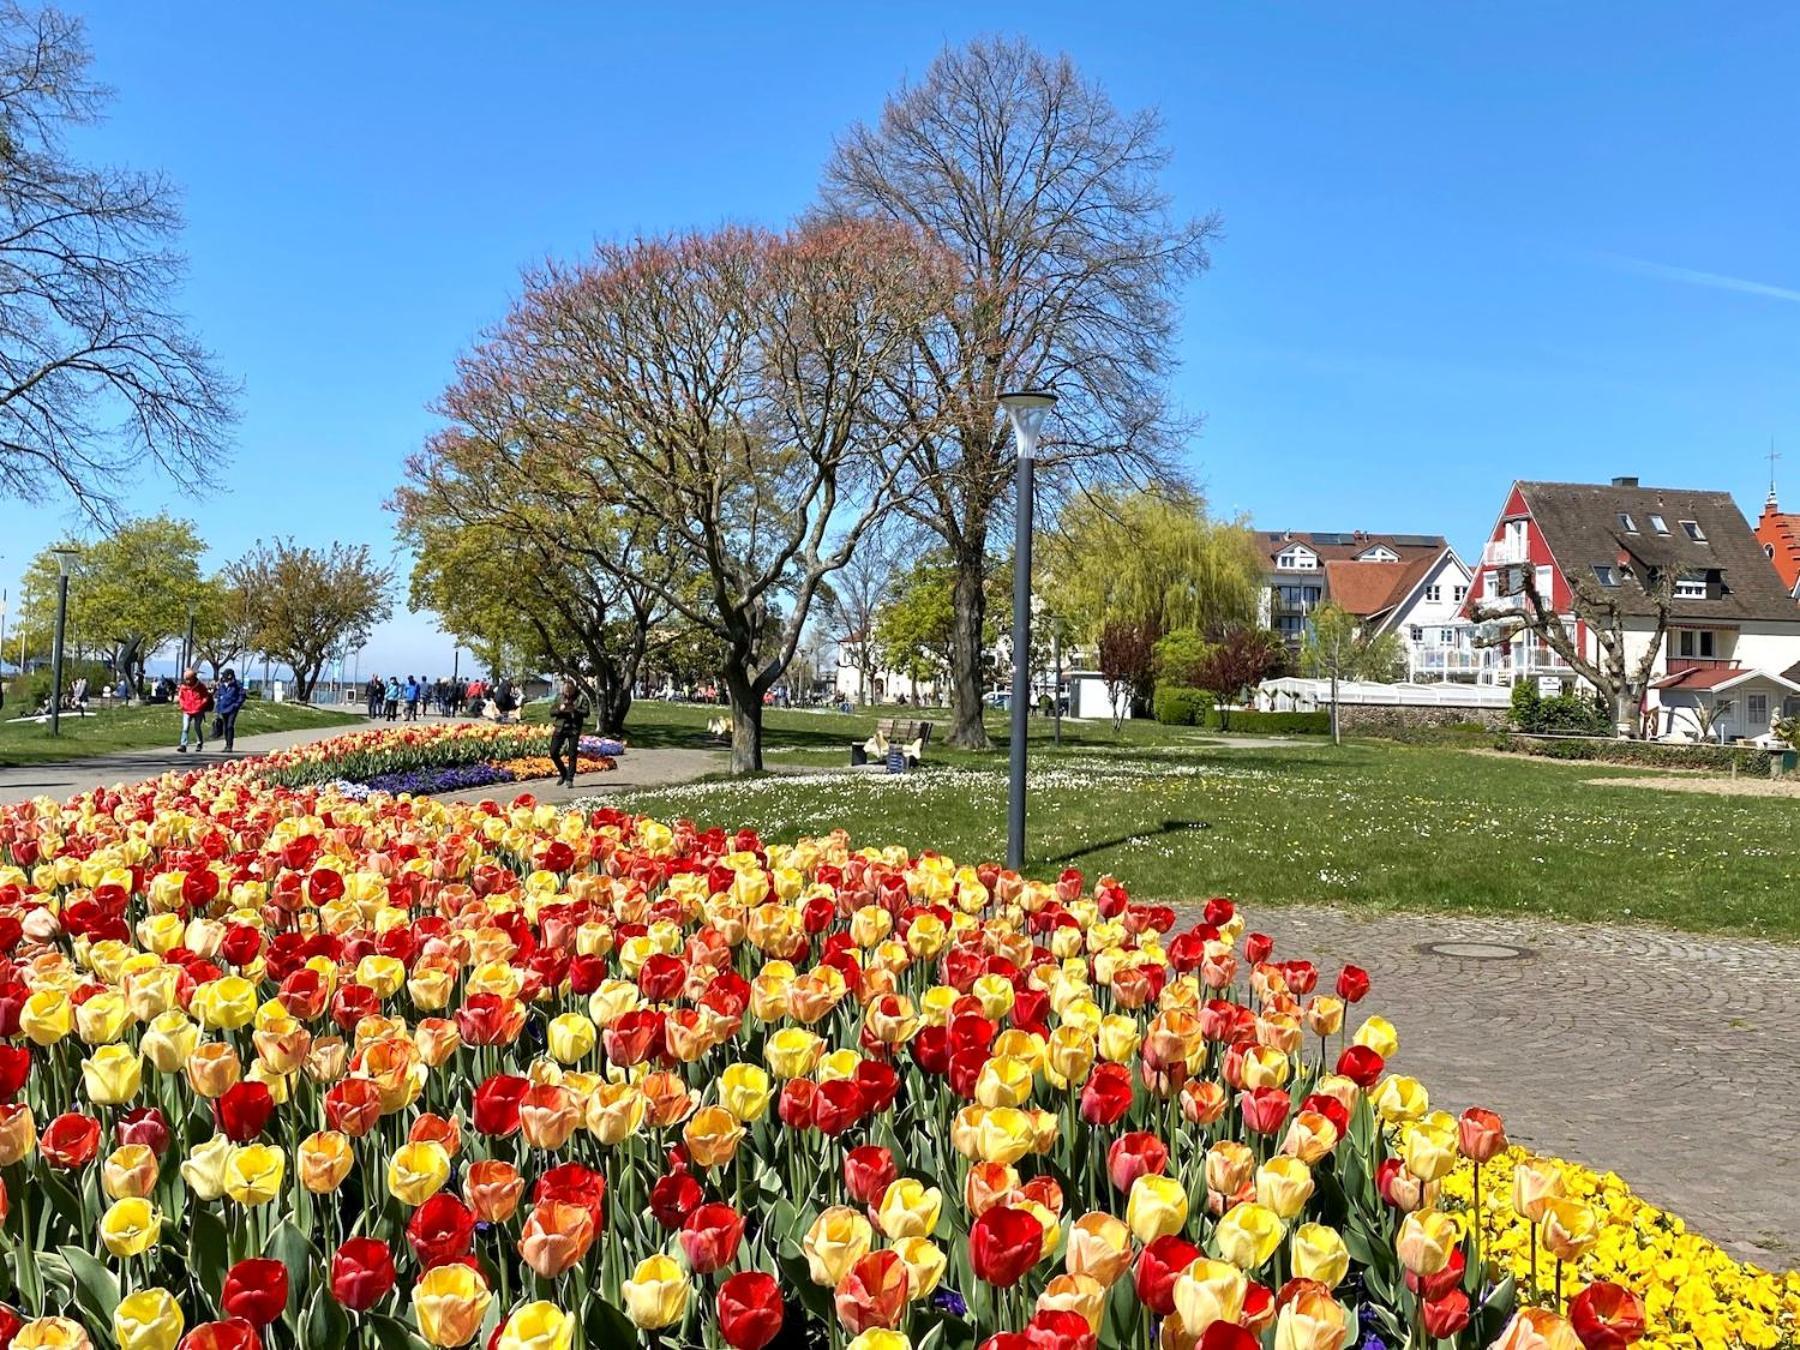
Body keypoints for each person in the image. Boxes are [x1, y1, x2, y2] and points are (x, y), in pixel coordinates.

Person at [548, 679, 589, 788]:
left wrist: (574, 710)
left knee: (572, 753)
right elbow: (551, 712)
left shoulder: (581, 697)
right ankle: (563, 772)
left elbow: (586, 712)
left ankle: (569, 778)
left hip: (573, 728)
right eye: (565, 691)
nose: (567, 694)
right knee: (553, 752)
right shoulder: (559, 697)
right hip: (560, 727)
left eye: (569, 691)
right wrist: (560, 710)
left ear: (573, 689)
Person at [176, 669, 212, 753]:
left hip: (198, 709)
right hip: (187, 709)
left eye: (189, 679)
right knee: (185, 727)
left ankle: (199, 743)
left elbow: (206, 696)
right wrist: (182, 705)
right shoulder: (183, 687)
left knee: (197, 727)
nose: (187, 681)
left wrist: (201, 704)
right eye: (186, 679)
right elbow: (181, 697)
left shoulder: (200, 686)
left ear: (193, 678)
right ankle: (183, 744)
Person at [213, 668, 246, 752]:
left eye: (224, 675)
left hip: (232, 708)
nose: (223, 677)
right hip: (223, 709)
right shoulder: (222, 685)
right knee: (225, 727)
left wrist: (237, 704)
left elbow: (242, 695)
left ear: (229, 676)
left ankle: (230, 745)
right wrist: (217, 709)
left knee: (230, 726)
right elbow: (219, 696)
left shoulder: (237, 685)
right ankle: (226, 743)